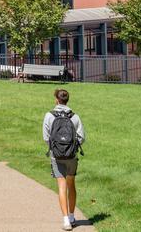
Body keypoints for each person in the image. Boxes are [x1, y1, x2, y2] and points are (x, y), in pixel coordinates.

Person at [42, 89, 86, 231]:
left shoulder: (49, 115)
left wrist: (56, 147)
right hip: (72, 156)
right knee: (71, 184)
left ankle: (66, 220)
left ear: (56, 99)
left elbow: (45, 137)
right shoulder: (75, 117)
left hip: (57, 155)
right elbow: (81, 137)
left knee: (61, 185)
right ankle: (73, 216)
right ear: (67, 100)